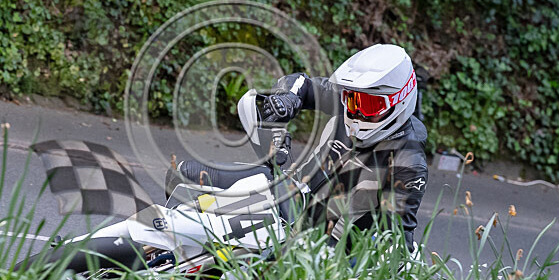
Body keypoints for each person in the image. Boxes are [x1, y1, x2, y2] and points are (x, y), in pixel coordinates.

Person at [168, 44, 428, 250]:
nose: (356, 111)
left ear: (400, 101)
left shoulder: (409, 161)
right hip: (285, 191)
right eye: (352, 99)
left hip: (324, 242)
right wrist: (286, 99)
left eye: (369, 105)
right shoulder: (347, 100)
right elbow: (301, 83)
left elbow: (397, 244)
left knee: (240, 257)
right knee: (182, 176)